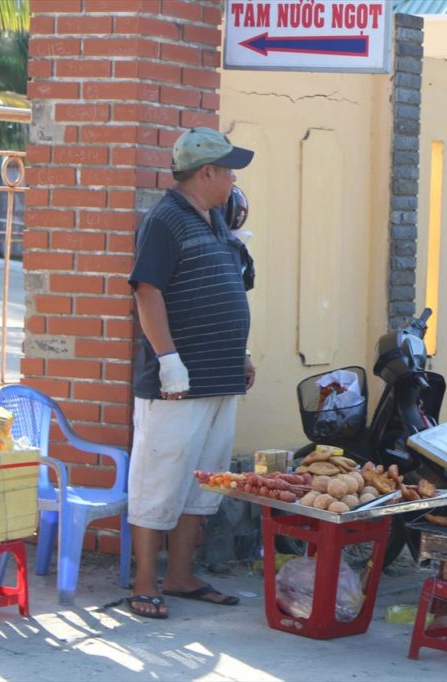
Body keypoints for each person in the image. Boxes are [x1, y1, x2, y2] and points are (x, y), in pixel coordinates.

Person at [125, 127, 256, 619]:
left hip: (220, 375)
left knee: (202, 483)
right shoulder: (165, 220)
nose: (233, 179)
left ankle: (179, 576)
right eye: (229, 170)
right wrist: (169, 360)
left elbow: (226, 290)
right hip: (178, 382)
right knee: (159, 479)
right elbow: (147, 291)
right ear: (207, 172)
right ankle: (144, 583)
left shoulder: (215, 220)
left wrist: (239, 354)